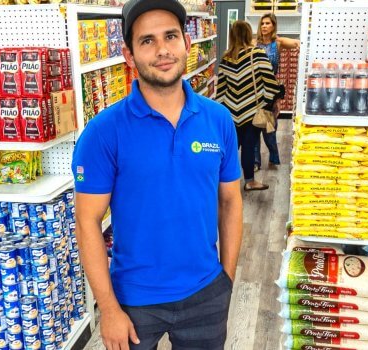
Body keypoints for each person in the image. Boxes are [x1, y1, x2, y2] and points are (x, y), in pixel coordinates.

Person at [71, 1, 244, 349]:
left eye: (170, 36)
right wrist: (108, 308)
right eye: (147, 41)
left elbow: (230, 201)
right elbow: (87, 221)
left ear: (187, 44)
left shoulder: (218, 119)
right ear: (129, 55)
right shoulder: (103, 132)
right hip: (133, 302)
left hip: (206, 291)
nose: (162, 50)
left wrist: (226, 279)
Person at [217, 20, 281, 192]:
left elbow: (221, 90)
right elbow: (271, 84)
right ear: (248, 34)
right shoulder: (257, 54)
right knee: (249, 145)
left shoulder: (226, 58)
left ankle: (220, 181)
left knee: (229, 147)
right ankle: (250, 181)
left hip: (231, 112)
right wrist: (265, 102)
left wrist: (222, 112)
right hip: (253, 111)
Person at [253, 13, 301, 171]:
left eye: (268, 23)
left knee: (269, 127)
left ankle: (273, 157)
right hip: (254, 89)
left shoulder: (277, 43)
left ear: (273, 26)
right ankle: (255, 161)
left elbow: (294, 43)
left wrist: (299, 44)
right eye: (262, 24)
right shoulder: (254, 43)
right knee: (254, 128)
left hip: (270, 90)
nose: (264, 26)